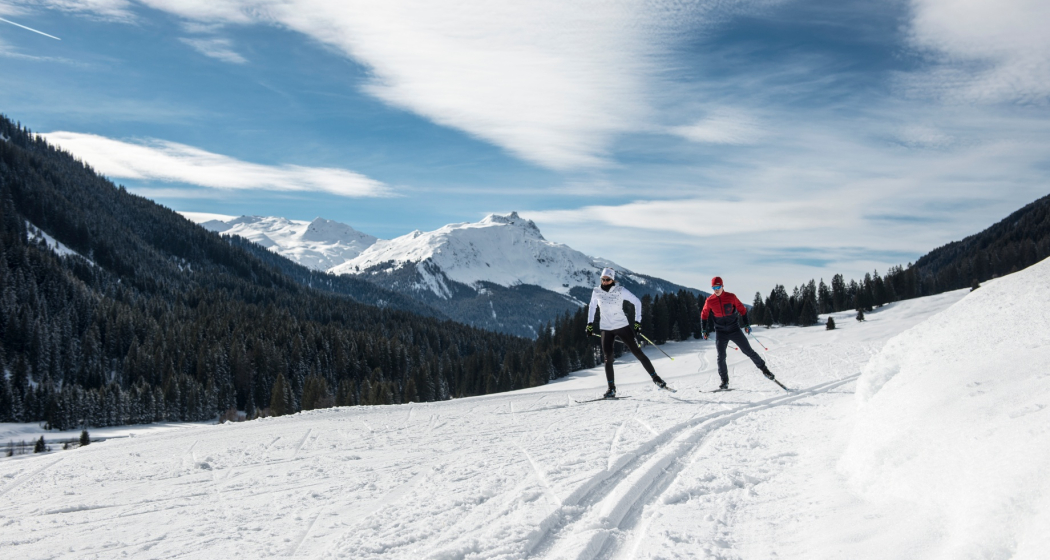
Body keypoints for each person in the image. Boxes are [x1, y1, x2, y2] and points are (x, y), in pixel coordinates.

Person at [587, 268, 667, 398]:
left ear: (612, 280)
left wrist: (637, 321)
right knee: (608, 358)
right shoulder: (596, 291)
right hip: (606, 328)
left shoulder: (620, 290)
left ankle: (656, 378)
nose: (605, 282)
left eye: (608, 279)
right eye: (603, 279)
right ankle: (611, 389)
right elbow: (592, 307)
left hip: (622, 326)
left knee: (637, 352)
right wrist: (589, 324)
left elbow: (637, 302)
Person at [700, 276, 775, 390]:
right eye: (714, 287)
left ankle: (765, 370)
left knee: (748, 351)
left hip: (734, 329)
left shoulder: (731, 297)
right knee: (721, 357)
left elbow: (742, 310)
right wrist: (704, 329)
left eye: (718, 286)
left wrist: (746, 324)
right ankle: (724, 381)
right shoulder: (710, 300)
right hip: (720, 332)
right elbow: (704, 314)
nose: (716, 289)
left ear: (722, 286)